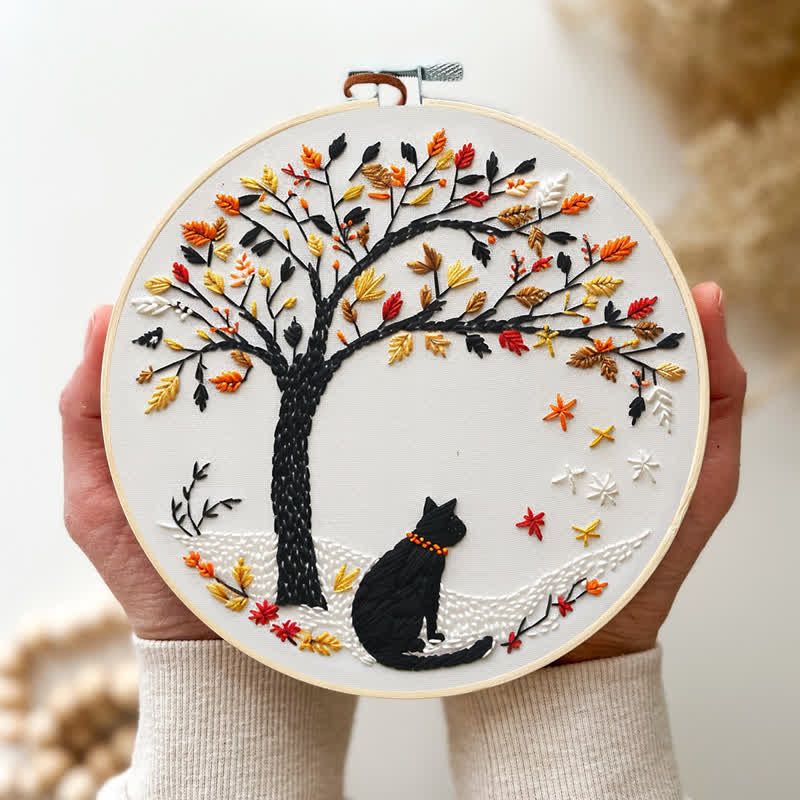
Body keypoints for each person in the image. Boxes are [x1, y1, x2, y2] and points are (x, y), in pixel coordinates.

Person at [60, 282, 745, 800]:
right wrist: (578, 677)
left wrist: (219, 663)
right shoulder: (420, 550)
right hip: (387, 631)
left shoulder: (425, 549)